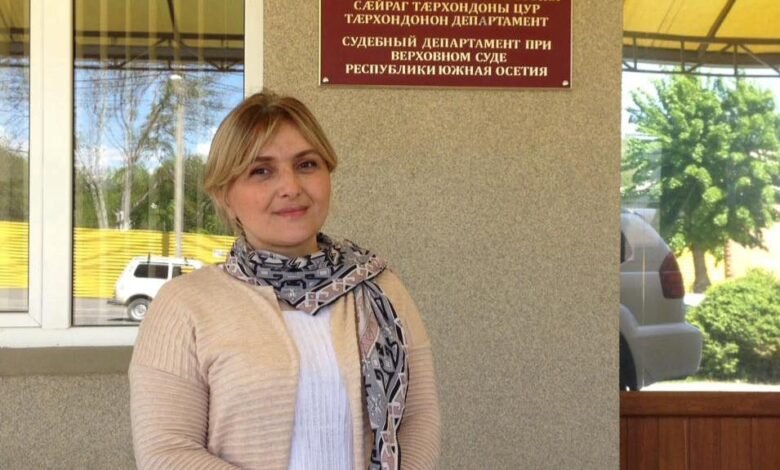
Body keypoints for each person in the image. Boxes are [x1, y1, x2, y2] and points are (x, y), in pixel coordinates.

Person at [129, 90, 441, 470]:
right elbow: (167, 451)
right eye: (261, 171)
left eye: (307, 164)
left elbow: (418, 417)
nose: (291, 187)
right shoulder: (183, 306)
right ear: (225, 195)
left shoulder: (381, 289)